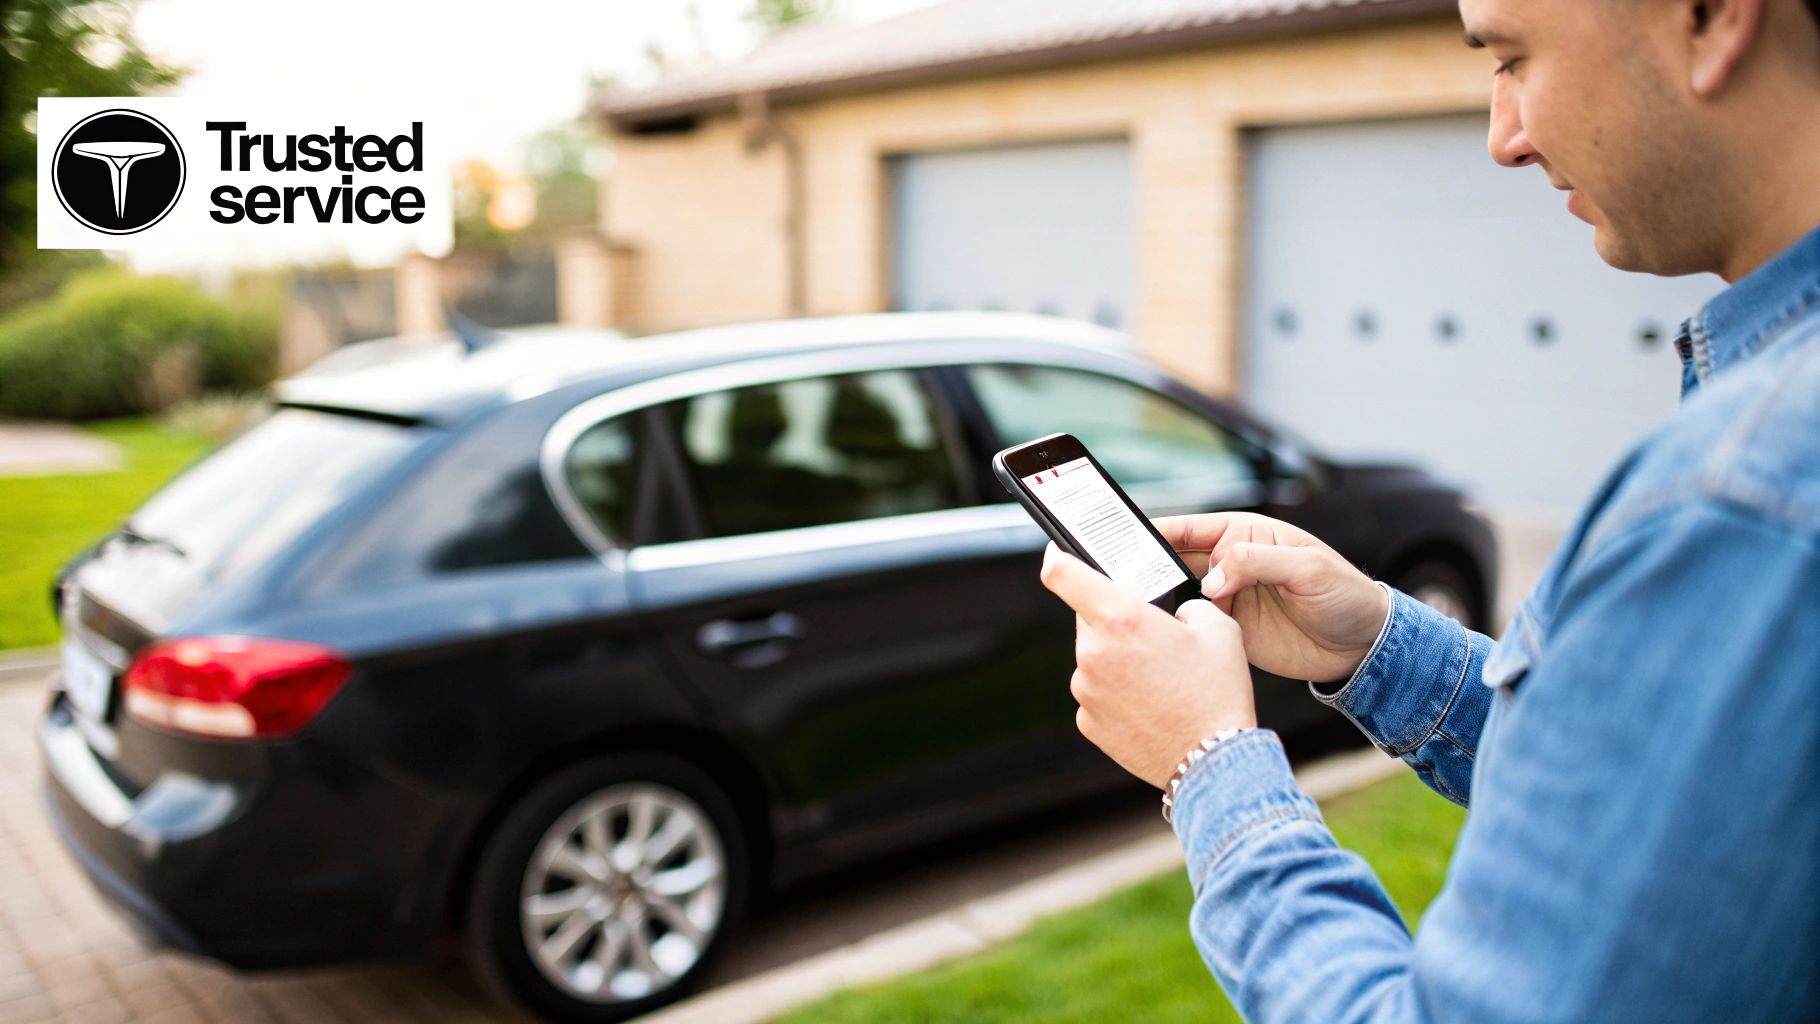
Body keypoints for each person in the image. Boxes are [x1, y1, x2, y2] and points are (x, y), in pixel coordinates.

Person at [1038, 0, 1820, 1019]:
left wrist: (1207, 762)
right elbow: (1658, 811)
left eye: (1511, 57)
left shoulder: (1739, 500)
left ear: (1712, 18)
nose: (1504, 138)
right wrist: (1374, 644)